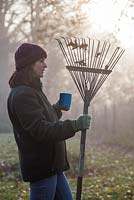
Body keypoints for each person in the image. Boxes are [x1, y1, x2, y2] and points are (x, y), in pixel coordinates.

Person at [7, 43, 91, 200]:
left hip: (52, 165)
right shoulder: (23, 94)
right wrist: (74, 125)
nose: (45, 65)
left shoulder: (32, 90)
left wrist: (56, 109)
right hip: (42, 166)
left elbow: (42, 119)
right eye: (41, 61)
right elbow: (40, 130)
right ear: (28, 64)